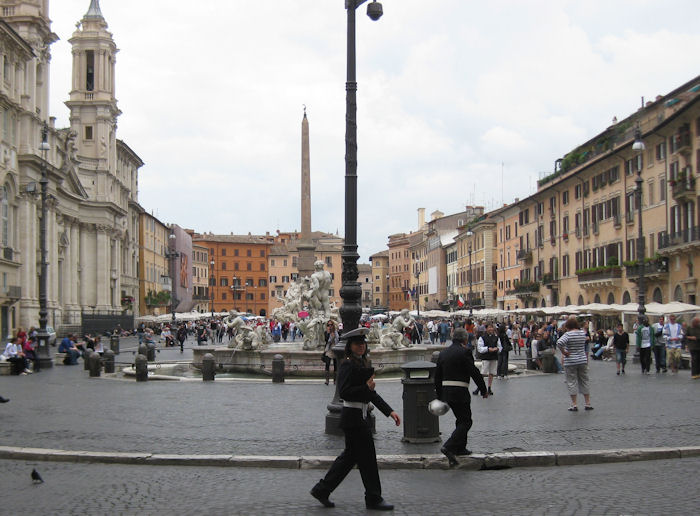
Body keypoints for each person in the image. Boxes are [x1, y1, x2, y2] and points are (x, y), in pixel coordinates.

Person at [310, 327, 400, 511]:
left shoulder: (361, 364)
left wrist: (389, 411)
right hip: (354, 418)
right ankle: (373, 498)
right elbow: (344, 392)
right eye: (357, 343)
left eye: (363, 343)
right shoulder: (347, 365)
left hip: (359, 417)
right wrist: (366, 389)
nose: (361, 346)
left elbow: (371, 393)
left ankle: (322, 489)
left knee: (349, 458)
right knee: (368, 458)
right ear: (349, 346)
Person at [434, 328, 488, 465]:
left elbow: (437, 375)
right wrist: (483, 389)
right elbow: (474, 371)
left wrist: (439, 394)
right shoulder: (465, 352)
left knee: (460, 419)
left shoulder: (443, 353)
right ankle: (450, 446)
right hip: (460, 391)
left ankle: (460, 448)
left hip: (446, 392)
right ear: (465, 339)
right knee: (466, 421)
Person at [557, 317, 593, 411]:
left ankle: (574, 404)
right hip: (582, 359)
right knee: (584, 380)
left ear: (568, 326)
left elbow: (559, 342)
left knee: (571, 382)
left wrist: (564, 352)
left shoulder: (568, 334)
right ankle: (587, 403)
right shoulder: (582, 333)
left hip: (571, 360)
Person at [475, 323, 499, 395]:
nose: (491, 329)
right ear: (486, 329)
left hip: (494, 356)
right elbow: (480, 348)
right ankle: (479, 387)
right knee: (483, 373)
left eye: (492, 327)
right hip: (486, 357)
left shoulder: (496, 337)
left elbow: (500, 346)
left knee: (491, 373)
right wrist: (488, 349)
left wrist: (497, 348)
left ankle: (489, 388)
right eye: (489, 327)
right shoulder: (482, 338)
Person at [322, 321, 339, 385]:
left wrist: (334, 336)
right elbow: (326, 340)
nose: (330, 326)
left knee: (336, 365)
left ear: (333, 325)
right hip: (329, 349)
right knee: (327, 364)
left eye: (331, 325)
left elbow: (338, 340)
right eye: (328, 325)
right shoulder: (326, 332)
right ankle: (327, 380)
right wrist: (329, 333)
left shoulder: (337, 332)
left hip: (336, 349)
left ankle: (335, 380)